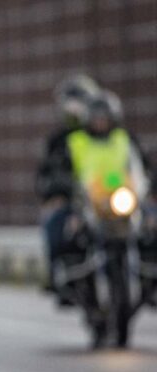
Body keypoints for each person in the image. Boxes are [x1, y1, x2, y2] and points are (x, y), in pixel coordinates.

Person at [38, 89, 154, 302]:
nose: (101, 122)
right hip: (87, 202)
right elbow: (57, 170)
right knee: (60, 227)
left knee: (151, 223)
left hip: (123, 199)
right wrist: (60, 186)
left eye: (105, 118)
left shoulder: (124, 140)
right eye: (96, 118)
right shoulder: (75, 142)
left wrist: (150, 184)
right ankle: (60, 277)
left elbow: (144, 167)